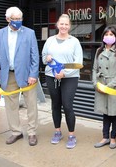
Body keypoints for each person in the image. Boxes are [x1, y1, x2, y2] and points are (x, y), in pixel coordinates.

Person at [0, 6, 39, 146]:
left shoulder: (29, 33)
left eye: (19, 18)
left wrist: (33, 74)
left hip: (28, 76)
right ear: (7, 19)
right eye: (14, 19)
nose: (17, 21)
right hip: (8, 75)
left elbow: (35, 56)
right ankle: (16, 132)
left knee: (31, 105)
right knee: (11, 106)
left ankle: (32, 132)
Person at [42, 14, 83, 149]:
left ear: (69, 26)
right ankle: (57, 132)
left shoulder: (74, 42)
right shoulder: (49, 40)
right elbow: (43, 58)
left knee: (67, 105)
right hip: (51, 76)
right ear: (57, 25)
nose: (64, 26)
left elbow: (78, 63)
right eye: (62, 24)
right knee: (55, 104)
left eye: (66, 24)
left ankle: (71, 135)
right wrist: (46, 58)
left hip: (69, 78)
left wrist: (64, 73)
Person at [92, 25, 116, 149]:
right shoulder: (99, 51)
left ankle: (113, 138)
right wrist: (96, 84)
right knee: (105, 113)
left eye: (111, 34)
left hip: (114, 87)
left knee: (114, 114)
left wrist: (109, 86)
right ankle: (105, 137)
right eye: (106, 34)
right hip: (101, 85)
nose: (108, 37)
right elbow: (94, 69)